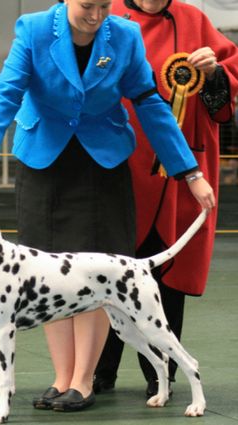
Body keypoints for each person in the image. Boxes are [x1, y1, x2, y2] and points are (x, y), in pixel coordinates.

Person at [0, 0, 215, 412]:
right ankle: (62, 377)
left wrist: (190, 170)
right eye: (86, 7)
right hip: (44, 160)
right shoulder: (35, 29)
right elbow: (6, 94)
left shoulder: (125, 35)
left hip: (104, 163)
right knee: (47, 275)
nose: (96, 16)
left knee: (96, 275)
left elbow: (150, 103)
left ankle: (84, 380)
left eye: (102, 5)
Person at [94, 0, 238, 398]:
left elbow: (226, 93)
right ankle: (98, 371)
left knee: (169, 272)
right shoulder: (105, 14)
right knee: (106, 271)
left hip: (180, 167)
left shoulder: (195, 19)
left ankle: (162, 374)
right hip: (117, 162)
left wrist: (213, 74)